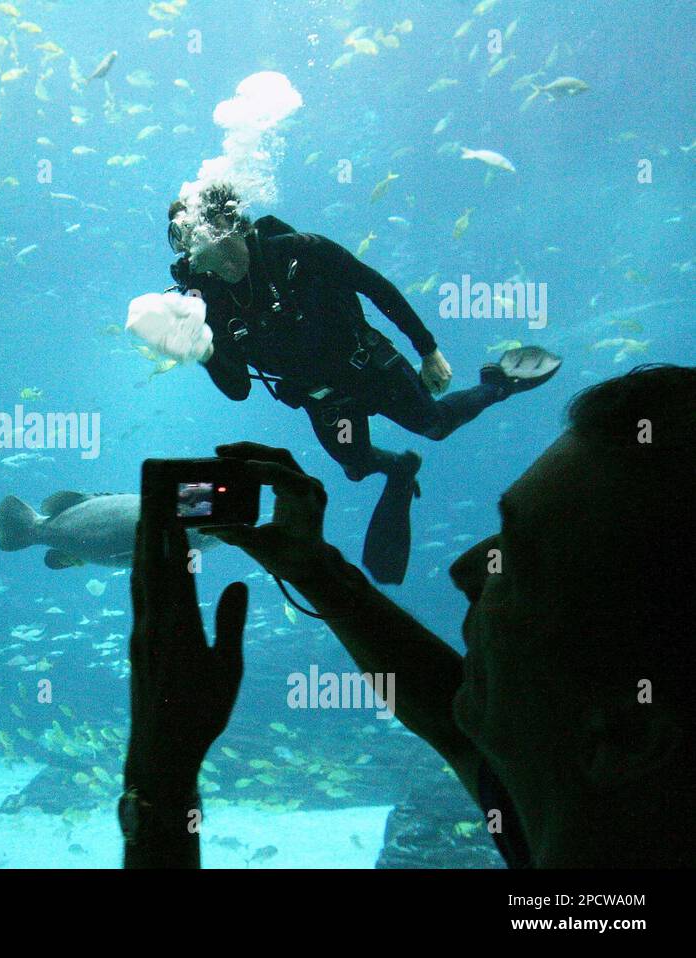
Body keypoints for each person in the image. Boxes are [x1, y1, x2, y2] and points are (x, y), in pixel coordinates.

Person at [122, 365, 696, 868]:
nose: (466, 569)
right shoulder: (602, 819)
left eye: (517, 557)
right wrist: (317, 570)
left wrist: (160, 775)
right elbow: (460, 726)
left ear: (625, 731)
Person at [127, 183, 563, 584]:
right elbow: (238, 389)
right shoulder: (211, 305)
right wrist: (202, 351)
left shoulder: (298, 251)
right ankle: (398, 467)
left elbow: (375, 286)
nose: (199, 253)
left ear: (231, 223)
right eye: (187, 244)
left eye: (201, 235)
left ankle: (498, 383)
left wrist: (427, 350)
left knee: (434, 424)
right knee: (355, 466)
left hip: (370, 368)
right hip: (326, 401)